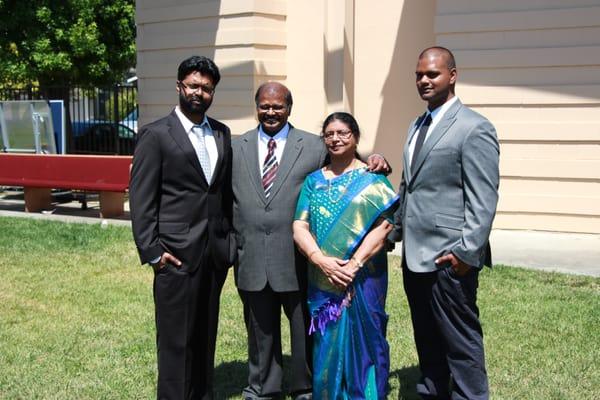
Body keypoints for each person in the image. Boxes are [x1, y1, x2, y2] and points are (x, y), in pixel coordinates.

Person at [232, 82, 389, 400]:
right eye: (265, 105)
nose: (271, 111)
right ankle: (264, 387)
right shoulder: (236, 146)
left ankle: (305, 387)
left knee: (304, 328)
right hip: (257, 254)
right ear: (256, 106)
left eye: (278, 106)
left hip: (297, 260)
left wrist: (379, 159)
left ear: (289, 107)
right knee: (260, 329)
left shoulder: (312, 145)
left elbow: (350, 165)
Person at [388, 46, 499, 400]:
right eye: (419, 74)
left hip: (450, 259)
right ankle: (432, 390)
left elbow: (484, 198)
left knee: (460, 340)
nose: (423, 80)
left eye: (432, 74)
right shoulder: (416, 124)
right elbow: (411, 184)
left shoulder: (474, 127)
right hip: (414, 256)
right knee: (427, 336)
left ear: (452, 75)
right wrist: (396, 229)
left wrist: (467, 252)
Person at [130, 55, 234, 400]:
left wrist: (228, 244)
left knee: (205, 336)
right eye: (192, 85)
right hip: (174, 256)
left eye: (206, 88)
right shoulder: (156, 135)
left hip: (213, 255)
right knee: (176, 343)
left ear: (213, 92)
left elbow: (221, 192)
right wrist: (152, 251)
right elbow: (142, 200)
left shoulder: (222, 132)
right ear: (179, 87)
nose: (198, 92)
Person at [292, 112, 399, 399]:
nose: (335, 139)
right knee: (326, 342)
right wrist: (320, 260)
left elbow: (385, 225)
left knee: (367, 337)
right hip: (323, 275)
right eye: (329, 134)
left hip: (365, 277)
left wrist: (353, 265)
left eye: (343, 133)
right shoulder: (314, 182)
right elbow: (299, 225)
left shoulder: (372, 179)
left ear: (355, 138)